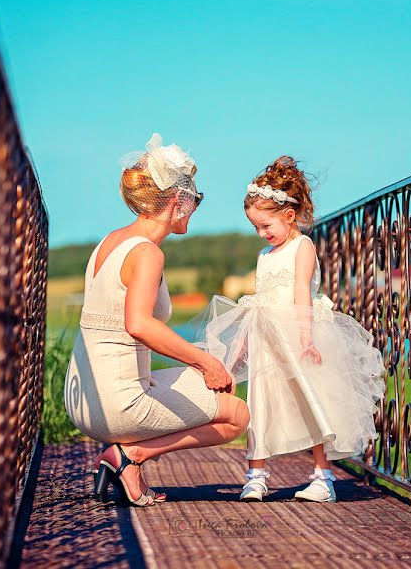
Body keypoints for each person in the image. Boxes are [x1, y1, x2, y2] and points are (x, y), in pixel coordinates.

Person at [63, 133, 249, 507]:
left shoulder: (109, 242)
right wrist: (206, 361)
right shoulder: (148, 253)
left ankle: (128, 457)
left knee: (211, 378)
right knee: (236, 415)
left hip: (81, 399)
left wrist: (209, 364)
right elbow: (139, 325)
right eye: (195, 199)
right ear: (177, 201)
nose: (195, 207)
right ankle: (132, 456)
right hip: (117, 405)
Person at [194, 156, 385, 503]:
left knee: (309, 402)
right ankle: (255, 475)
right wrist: (243, 347)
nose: (262, 233)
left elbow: (301, 292)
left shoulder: (302, 246)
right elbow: (260, 301)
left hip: (297, 334)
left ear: (290, 216)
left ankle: (322, 478)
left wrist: (306, 338)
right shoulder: (265, 254)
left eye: (266, 225)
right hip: (267, 338)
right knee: (261, 403)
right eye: (255, 227)